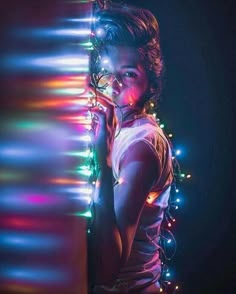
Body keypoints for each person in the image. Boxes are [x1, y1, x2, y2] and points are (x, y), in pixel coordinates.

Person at [89, 4, 173, 293]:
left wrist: (105, 162)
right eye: (106, 71)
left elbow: (108, 269)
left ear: (151, 81)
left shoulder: (143, 146)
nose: (112, 85)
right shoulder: (106, 121)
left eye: (128, 74)